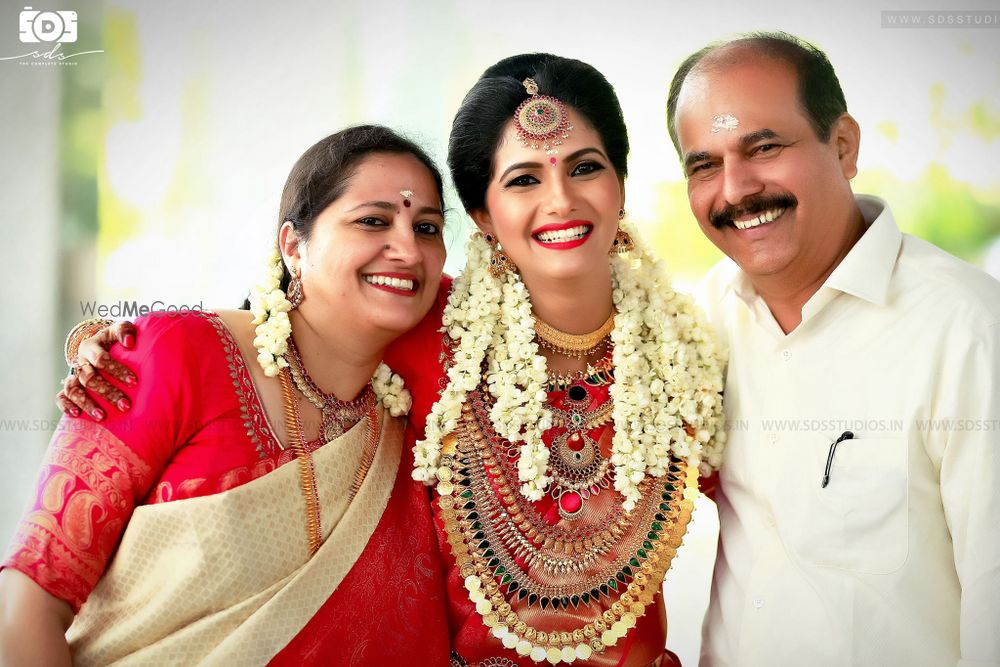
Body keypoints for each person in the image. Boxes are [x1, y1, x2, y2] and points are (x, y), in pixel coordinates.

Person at [53, 54, 728, 666]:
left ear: (621, 182)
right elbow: (290, 321)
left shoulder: (693, 353)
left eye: (585, 166)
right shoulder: (429, 327)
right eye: (524, 178)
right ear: (483, 214)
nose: (561, 200)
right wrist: (110, 339)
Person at [0, 125, 452, 666]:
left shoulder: (423, 421)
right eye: (373, 221)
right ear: (293, 246)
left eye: (427, 228)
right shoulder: (175, 355)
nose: (407, 249)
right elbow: (28, 602)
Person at [666, 32, 1000, 666]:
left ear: (843, 146)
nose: (735, 189)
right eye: (704, 164)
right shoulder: (703, 323)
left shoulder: (968, 332)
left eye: (762, 147)